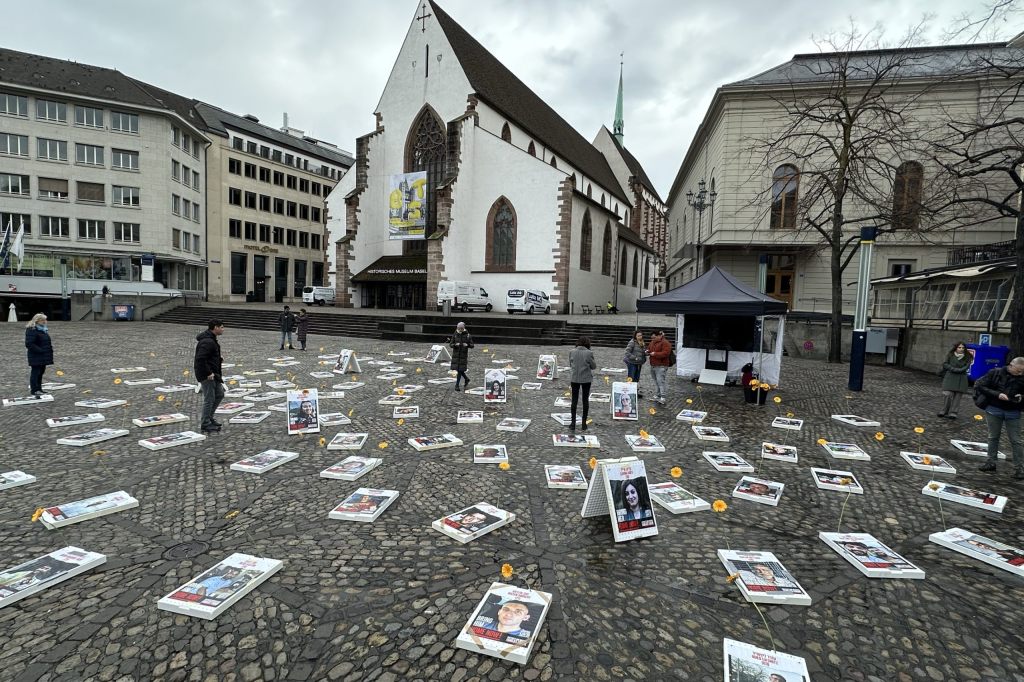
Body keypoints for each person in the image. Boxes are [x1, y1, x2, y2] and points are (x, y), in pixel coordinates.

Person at [974, 356, 1024, 479]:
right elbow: (980, 385)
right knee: (993, 436)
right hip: (994, 409)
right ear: (1011, 365)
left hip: (1013, 411)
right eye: (1018, 371)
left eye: (1022, 371)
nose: (1020, 373)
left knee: (1016, 440)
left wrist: (1022, 397)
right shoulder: (995, 373)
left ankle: (1019, 468)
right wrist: (998, 394)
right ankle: (990, 462)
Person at [194, 319, 226, 433]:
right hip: (207, 375)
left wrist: (218, 358)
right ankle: (205, 423)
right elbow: (200, 359)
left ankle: (209, 417)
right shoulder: (207, 341)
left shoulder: (211, 339)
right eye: (221, 327)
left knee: (219, 394)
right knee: (209, 399)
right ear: (215, 327)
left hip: (214, 373)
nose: (223, 329)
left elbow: (208, 356)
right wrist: (208, 373)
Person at [938, 341, 972, 418]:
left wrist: (959, 370)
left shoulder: (968, 357)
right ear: (956, 348)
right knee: (947, 394)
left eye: (963, 348)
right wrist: (953, 369)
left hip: (961, 378)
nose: (961, 349)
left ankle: (953, 412)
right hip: (950, 376)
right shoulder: (950, 355)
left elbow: (966, 366)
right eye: (959, 347)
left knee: (957, 397)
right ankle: (944, 410)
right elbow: (945, 364)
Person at [569, 336, 596, 431]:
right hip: (586, 379)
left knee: (574, 400)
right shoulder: (589, 353)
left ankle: (573, 423)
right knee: (585, 400)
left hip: (574, 378)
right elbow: (593, 366)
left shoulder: (572, 351)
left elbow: (570, 364)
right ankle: (584, 424)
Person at [24, 313, 53, 397]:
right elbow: (29, 343)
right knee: (35, 373)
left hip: (43, 356)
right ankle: (34, 390)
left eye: (45, 320)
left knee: (40, 373)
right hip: (36, 355)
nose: (44, 321)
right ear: (37, 321)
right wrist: (41, 350)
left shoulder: (43, 329)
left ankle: (39, 389)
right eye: (42, 320)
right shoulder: (32, 329)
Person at [647, 330, 671, 405]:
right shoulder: (652, 342)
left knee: (661, 382)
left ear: (659, 336)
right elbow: (649, 349)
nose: (652, 339)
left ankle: (663, 397)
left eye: (654, 338)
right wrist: (647, 351)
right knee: (656, 381)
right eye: (651, 338)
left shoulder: (665, 342)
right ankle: (657, 395)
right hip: (653, 365)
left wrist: (655, 354)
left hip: (661, 365)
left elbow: (666, 353)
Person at [450, 322, 474, 391]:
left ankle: (457, 385)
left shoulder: (468, 335)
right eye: (459, 328)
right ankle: (466, 379)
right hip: (456, 355)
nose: (460, 330)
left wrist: (467, 345)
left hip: (463, 355)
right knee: (459, 370)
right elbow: (451, 344)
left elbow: (472, 345)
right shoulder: (455, 334)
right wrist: (455, 345)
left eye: (461, 328)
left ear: (463, 328)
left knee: (460, 370)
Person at [624, 330, 646, 397]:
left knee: (637, 378)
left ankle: (635, 391)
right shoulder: (632, 342)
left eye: (641, 335)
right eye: (638, 336)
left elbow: (642, 352)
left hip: (639, 363)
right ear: (635, 336)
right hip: (632, 363)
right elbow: (627, 352)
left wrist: (646, 352)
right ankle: (629, 392)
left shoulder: (642, 342)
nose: (640, 337)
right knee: (631, 377)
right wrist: (635, 358)